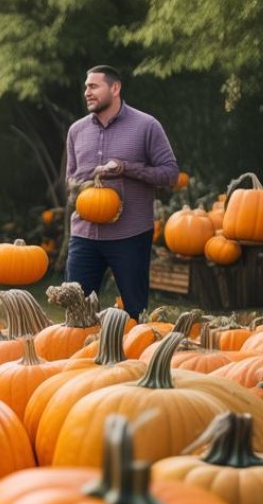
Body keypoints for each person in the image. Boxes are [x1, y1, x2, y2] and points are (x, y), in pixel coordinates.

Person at [64, 65, 179, 318]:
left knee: (136, 313)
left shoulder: (147, 126)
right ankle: (76, 358)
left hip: (130, 235)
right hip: (84, 235)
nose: (87, 92)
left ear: (115, 88)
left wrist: (126, 169)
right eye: (86, 87)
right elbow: (70, 179)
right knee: (75, 313)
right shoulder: (77, 131)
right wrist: (79, 187)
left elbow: (170, 174)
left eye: (93, 86)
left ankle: (134, 356)